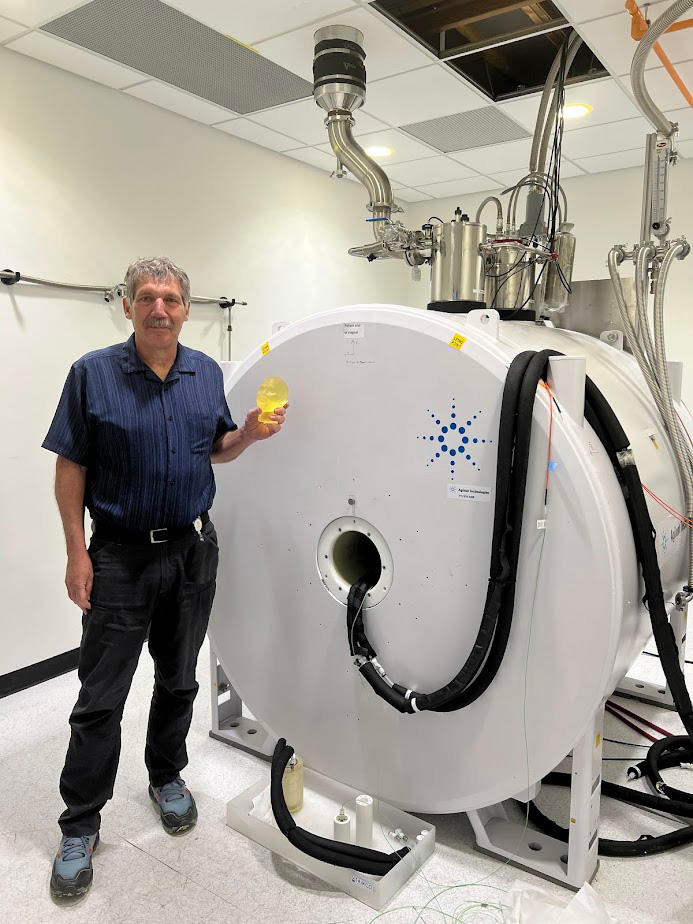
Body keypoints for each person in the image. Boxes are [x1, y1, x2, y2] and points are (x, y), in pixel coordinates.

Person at [42, 257, 287, 898]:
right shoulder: (92, 375)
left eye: (171, 298)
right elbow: (70, 469)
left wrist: (251, 436)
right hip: (119, 556)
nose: (160, 308)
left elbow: (216, 447)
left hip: (189, 550)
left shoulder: (205, 373)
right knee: (101, 697)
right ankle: (80, 824)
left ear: (185, 308)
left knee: (178, 680)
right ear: (127, 306)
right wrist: (77, 553)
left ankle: (167, 774)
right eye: (147, 297)